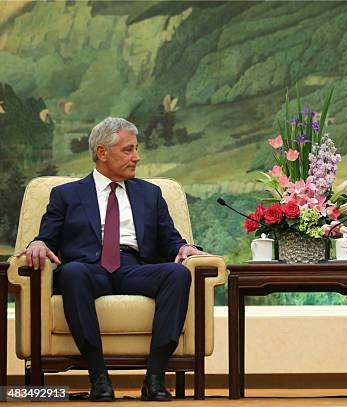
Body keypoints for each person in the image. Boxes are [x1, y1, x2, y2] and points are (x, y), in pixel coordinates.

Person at [18, 117, 208, 401]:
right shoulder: (66, 195)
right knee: (71, 273)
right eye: (128, 150)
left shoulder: (150, 194)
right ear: (102, 153)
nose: (137, 157)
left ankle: (155, 378)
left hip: (135, 268)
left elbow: (171, 240)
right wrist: (38, 243)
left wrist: (184, 248)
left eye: (136, 149)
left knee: (178, 274)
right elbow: (48, 236)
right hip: (89, 271)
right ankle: (99, 378)